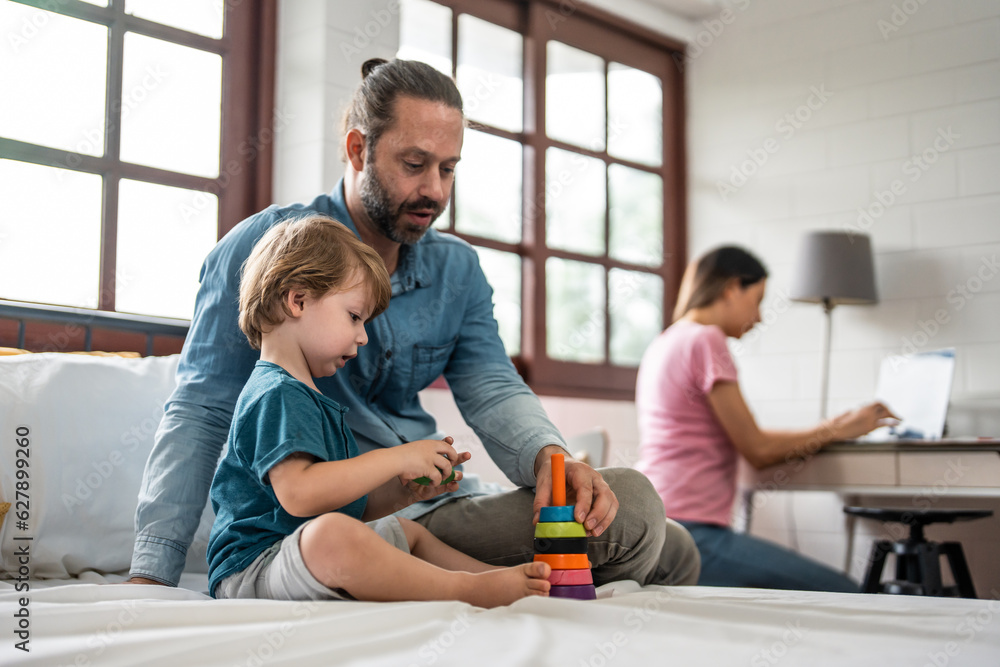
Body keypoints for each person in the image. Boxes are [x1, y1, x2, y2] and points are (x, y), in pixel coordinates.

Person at [128, 58, 699, 589]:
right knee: (640, 515)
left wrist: (555, 459)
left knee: (672, 542)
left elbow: (493, 386)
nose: (436, 191)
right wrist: (151, 574)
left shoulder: (457, 269)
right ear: (357, 150)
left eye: (449, 169)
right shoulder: (268, 248)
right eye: (414, 164)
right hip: (347, 527)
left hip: (433, 504)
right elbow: (202, 408)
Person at [207, 215, 551, 606]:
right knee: (331, 536)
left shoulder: (309, 397)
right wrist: (396, 457)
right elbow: (301, 495)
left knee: (406, 530)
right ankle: (465, 591)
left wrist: (401, 493)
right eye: (354, 316)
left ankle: (505, 581)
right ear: (298, 299)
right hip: (252, 568)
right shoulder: (275, 392)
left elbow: (344, 503)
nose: (363, 336)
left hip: (302, 552)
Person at [635, 246, 897, 592]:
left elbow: (737, 435)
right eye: (757, 299)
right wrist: (839, 429)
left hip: (659, 522)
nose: (758, 316)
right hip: (690, 533)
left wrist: (828, 431)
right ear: (731, 288)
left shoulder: (666, 341)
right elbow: (756, 448)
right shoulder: (705, 339)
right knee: (846, 592)